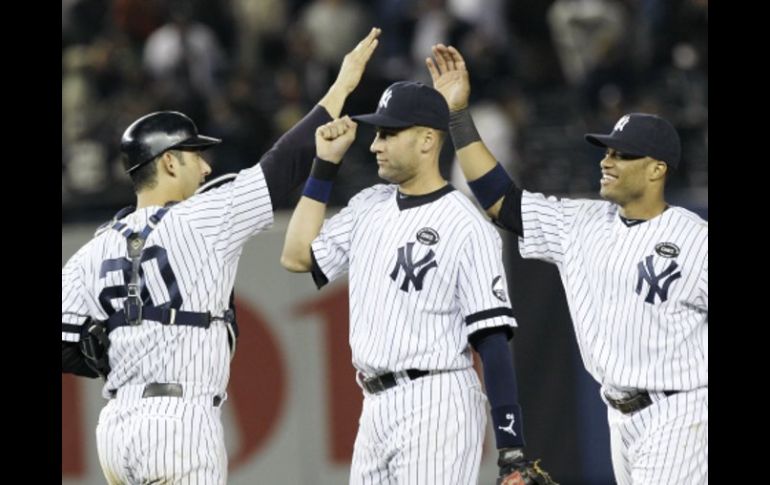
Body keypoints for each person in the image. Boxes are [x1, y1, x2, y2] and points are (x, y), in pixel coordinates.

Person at [60, 27, 381, 485]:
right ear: (169, 162)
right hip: (179, 423)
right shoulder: (202, 218)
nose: (206, 166)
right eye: (194, 155)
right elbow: (282, 165)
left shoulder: (97, 246)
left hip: (115, 427)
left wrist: (111, 351)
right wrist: (342, 86)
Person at [426, 44, 707, 484]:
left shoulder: (695, 239)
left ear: (657, 170)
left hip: (683, 413)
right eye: (607, 151)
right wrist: (459, 115)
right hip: (620, 417)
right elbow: (503, 201)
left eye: (622, 155)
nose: (607, 161)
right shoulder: (581, 222)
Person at [280, 81, 554, 485]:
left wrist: (511, 447)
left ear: (427, 140)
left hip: (437, 402)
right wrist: (323, 167)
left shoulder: (465, 224)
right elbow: (295, 256)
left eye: (389, 133)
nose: (375, 144)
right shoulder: (367, 206)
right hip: (374, 406)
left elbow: (492, 341)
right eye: (377, 133)